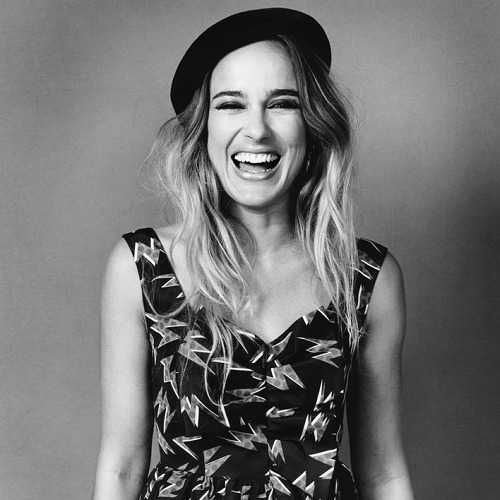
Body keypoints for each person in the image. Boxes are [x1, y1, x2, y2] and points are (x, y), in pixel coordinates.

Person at [92, 8, 415, 500]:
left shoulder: (368, 278)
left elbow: (384, 474)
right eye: (231, 105)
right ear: (203, 130)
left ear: (312, 126)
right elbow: (121, 469)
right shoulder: (142, 269)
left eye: (282, 103)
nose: (257, 129)